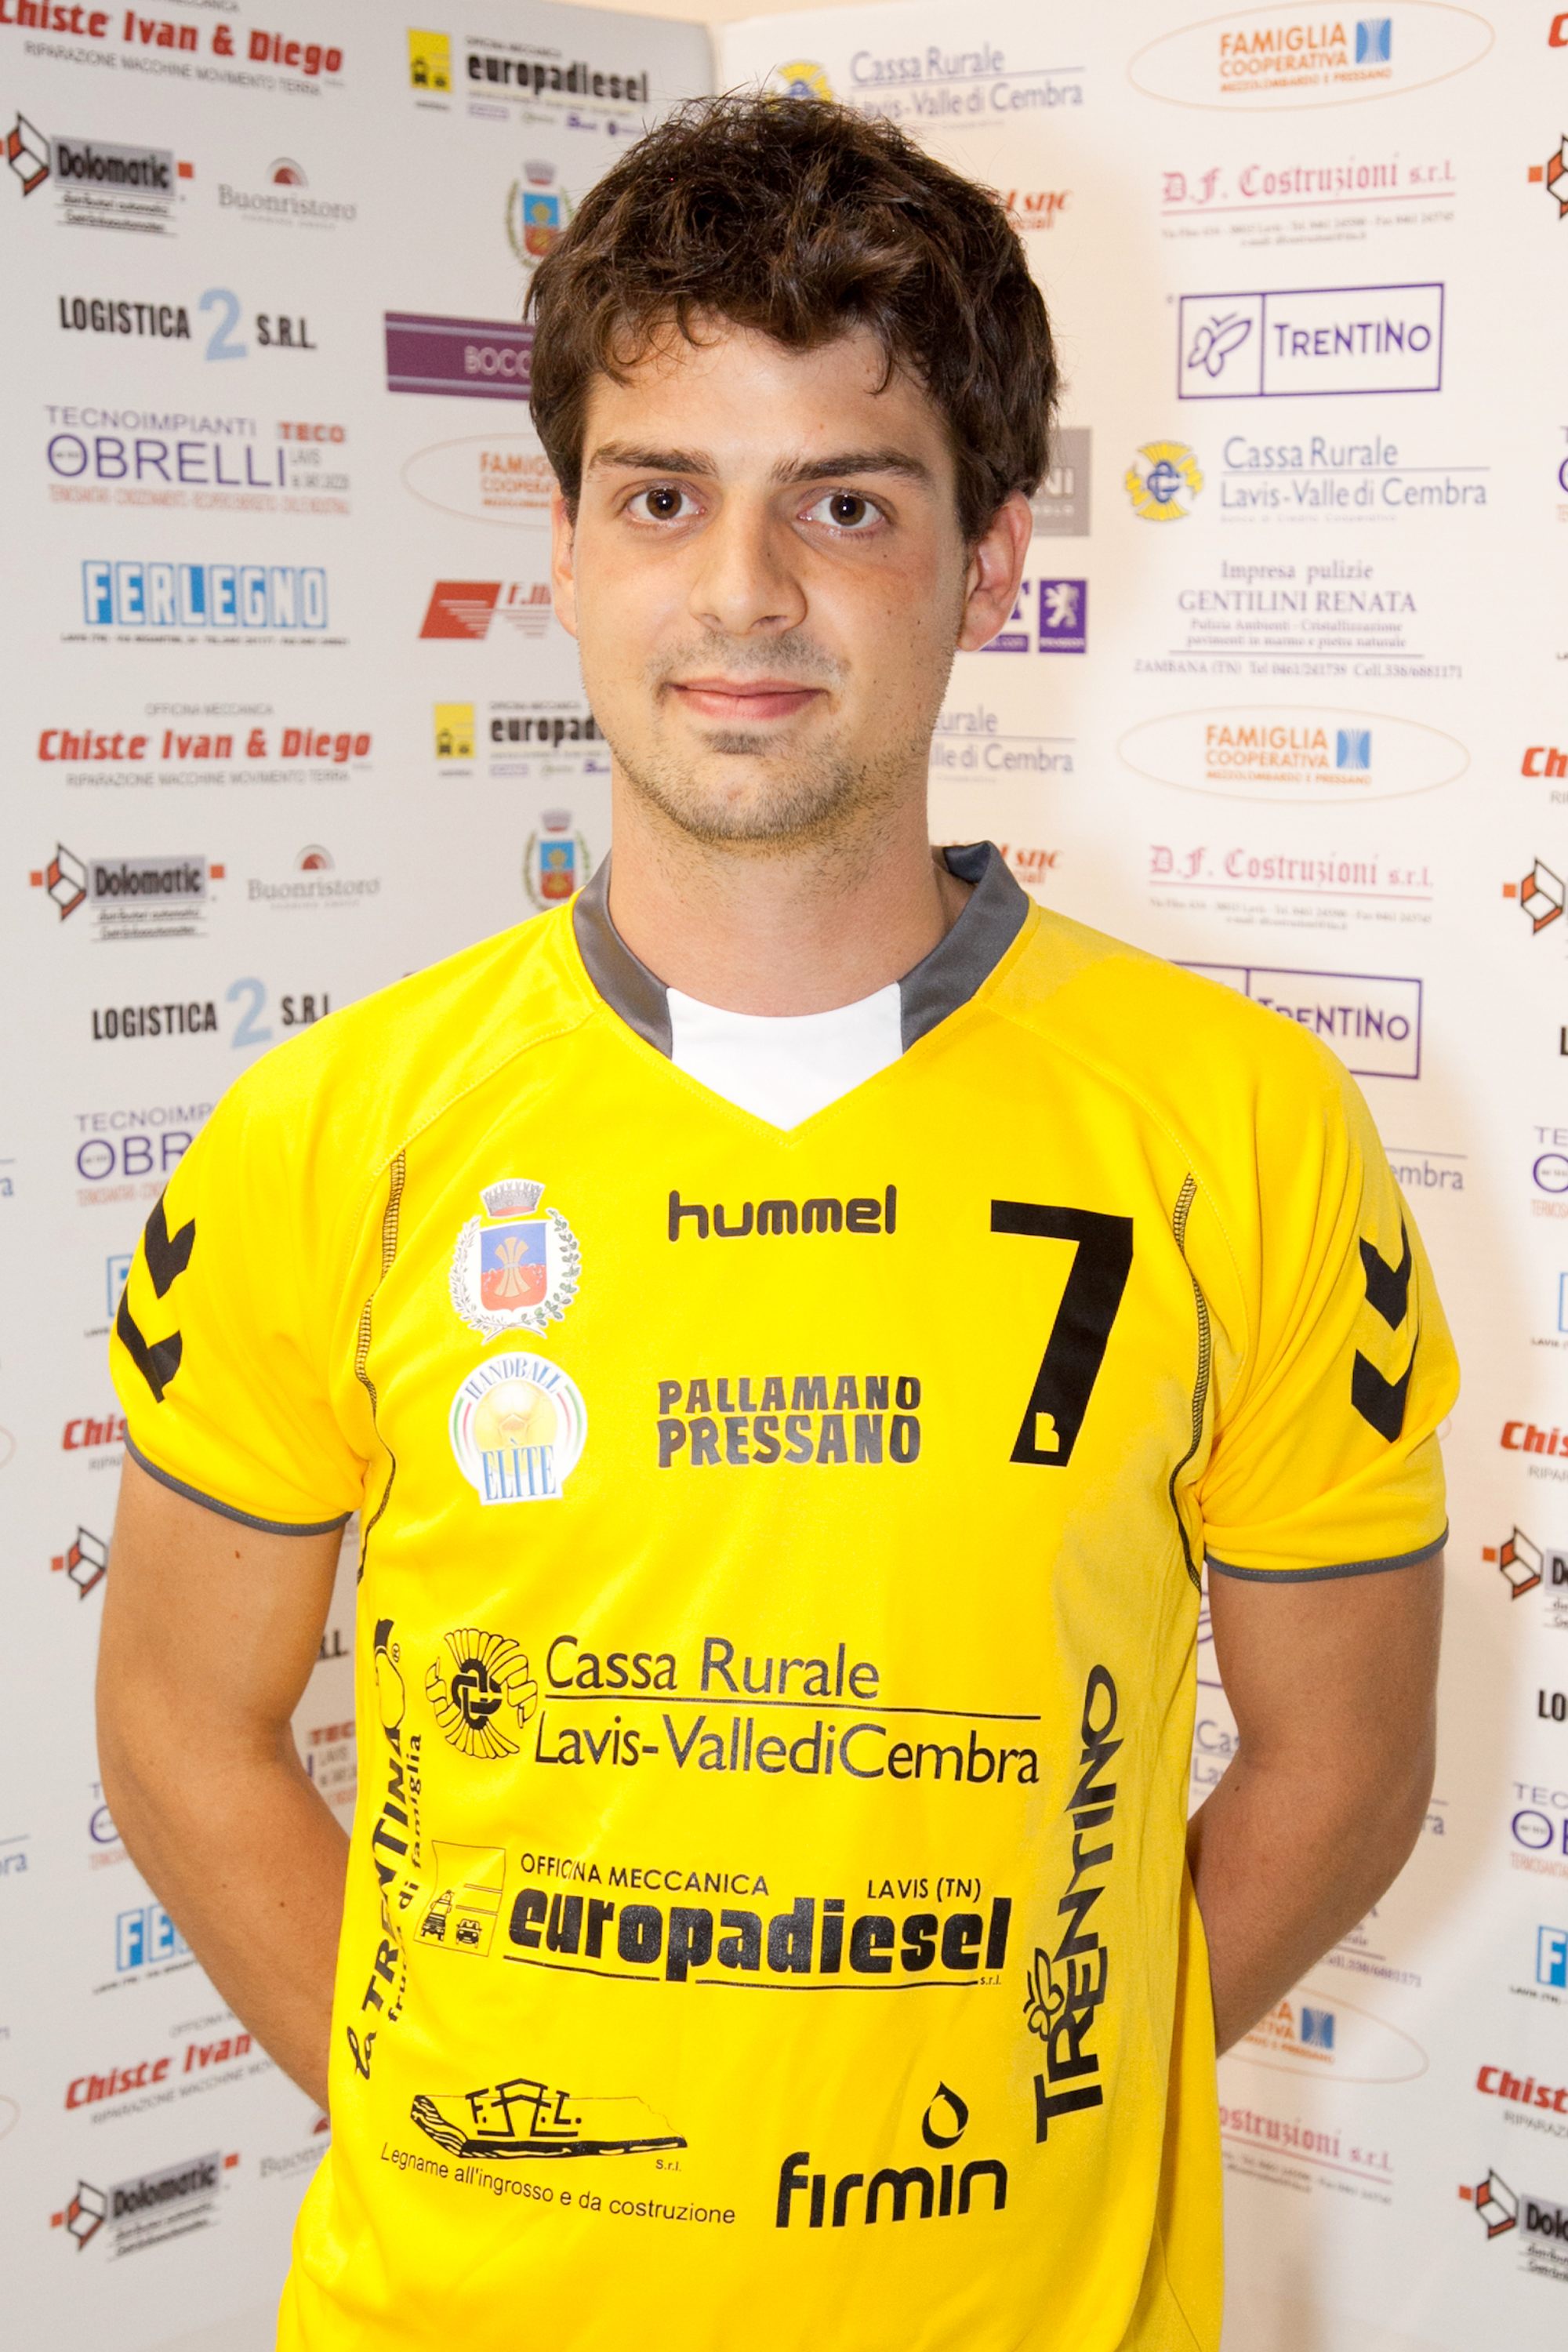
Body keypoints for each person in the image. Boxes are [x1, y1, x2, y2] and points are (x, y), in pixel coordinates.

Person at [99, 95, 1455, 2352]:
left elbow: (1350, 1764)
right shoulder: (328, 1129)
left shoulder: (1244, 1124)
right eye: (662, 496)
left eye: (845, 501)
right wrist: (455, 2126)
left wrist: (1055, 2101)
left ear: (994, 561)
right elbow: (175, 1727)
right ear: (564, 547)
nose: (741, 591)